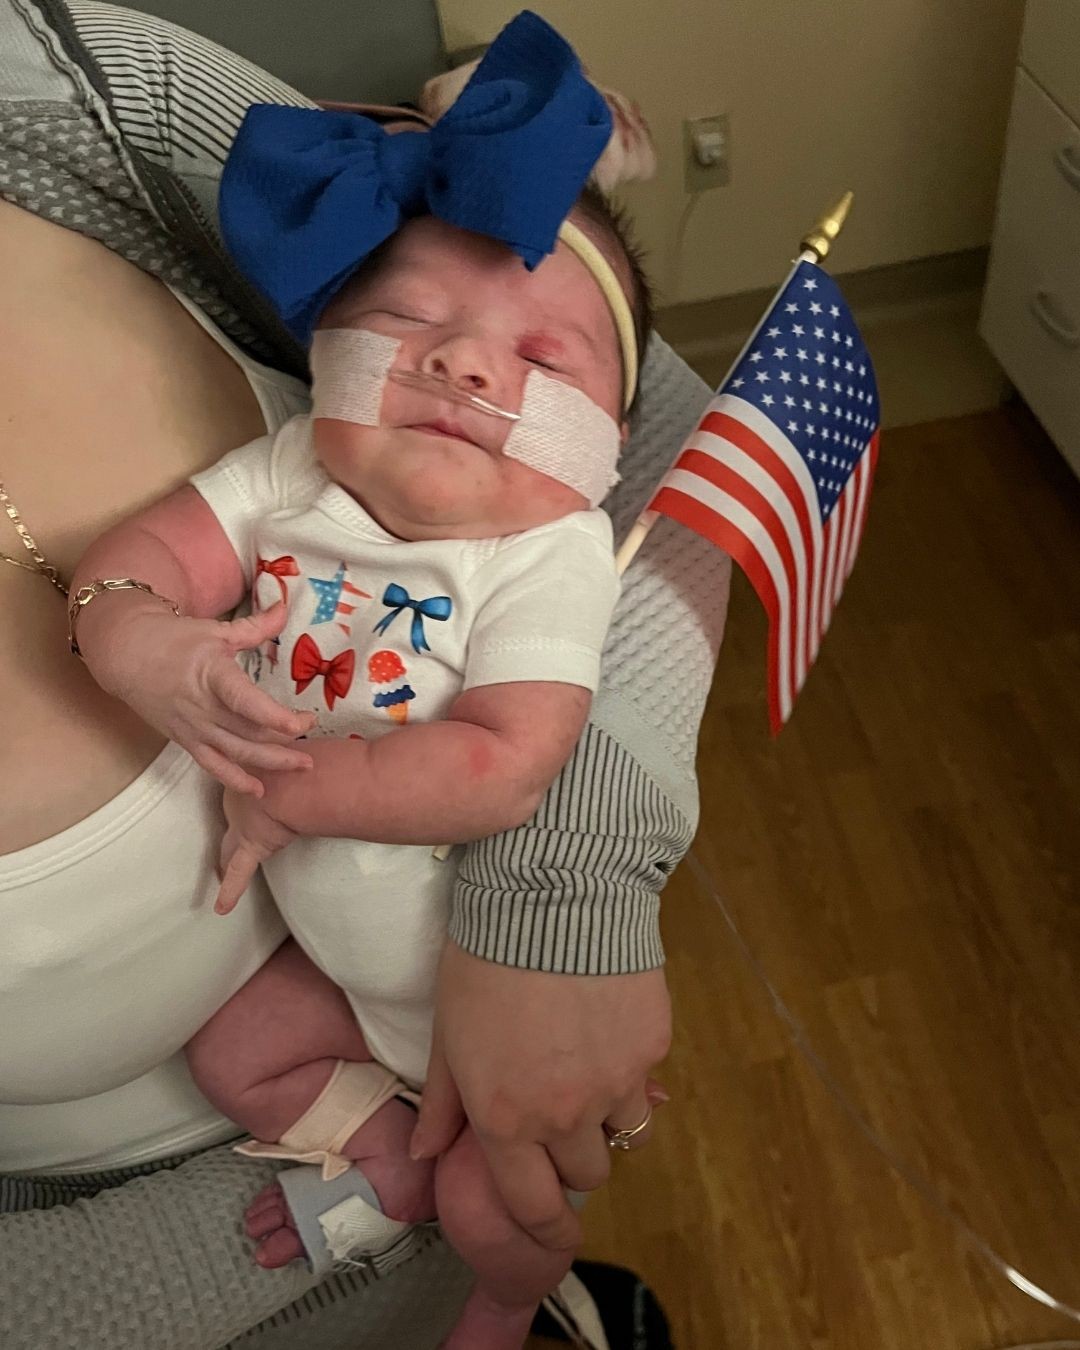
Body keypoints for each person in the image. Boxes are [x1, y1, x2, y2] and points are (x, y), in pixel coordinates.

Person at [0, 3, 730, 1346]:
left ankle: (512, 1303)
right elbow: (138, 566)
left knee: (504, 1186)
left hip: (445, 958)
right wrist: (137, 636)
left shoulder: (553, 549)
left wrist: (317, 798)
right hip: (322, 1011)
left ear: (602, 449)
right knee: (277, 1071)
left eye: (544, 362)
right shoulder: (296, 475)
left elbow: (504, 754)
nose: (459, 359)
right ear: (332, 332)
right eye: (404, 317)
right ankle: (398, 1178)